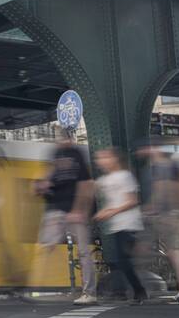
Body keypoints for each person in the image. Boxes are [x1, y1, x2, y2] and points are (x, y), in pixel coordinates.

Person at [34, 126, 96, 305]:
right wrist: (42, 185)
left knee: (84, 251)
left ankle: (89, 293)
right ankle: (34, 288)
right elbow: (49, 178)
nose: (61, 140)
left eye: (64, 136)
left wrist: (79, 210)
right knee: (45, 245)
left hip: (74, 210)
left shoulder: (77, 154)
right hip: (55, 208)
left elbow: (86, 184)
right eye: (59, 136)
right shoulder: (54, 154)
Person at [92, 148, 147, 305]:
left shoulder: (125, 176)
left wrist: (110, 212)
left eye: (104, 157)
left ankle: (139, 291)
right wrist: (104, 212)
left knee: (124, 260)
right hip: (117, 225)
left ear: (115, 158)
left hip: (130, 223)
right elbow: (111, 202)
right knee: (123, 260)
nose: (100, 161)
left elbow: (133, 201)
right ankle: (137, 291)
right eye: (99, 158)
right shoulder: (104, 180)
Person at [136, 143, 179, 304]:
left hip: (165, 215)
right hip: (169, 214)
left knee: (166, 252)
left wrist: (150, 208)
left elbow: (162, 191)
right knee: (169, 252)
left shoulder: (161, 166)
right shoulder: (169, 165)